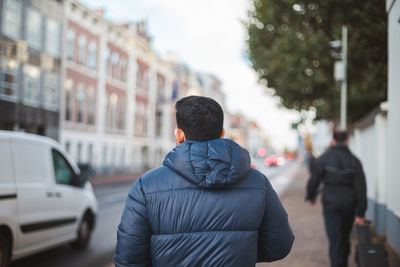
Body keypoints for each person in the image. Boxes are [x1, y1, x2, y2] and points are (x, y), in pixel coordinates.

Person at [114, 96, 294, 267]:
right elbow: (280, 245)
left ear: (179, 135)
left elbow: (128, 260)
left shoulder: (146, 186)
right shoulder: (258, 182)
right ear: (222, 133)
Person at [306, 130, 367, 267]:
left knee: (335, 241)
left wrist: (311, 196)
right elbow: (361, 188)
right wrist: (361, 213)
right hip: (349, 205)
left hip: (330, 204)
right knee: (345, 239)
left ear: (333, 141)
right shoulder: (355, 161)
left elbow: (314, 179)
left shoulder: (324, 158)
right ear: (347, 141)